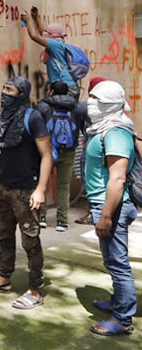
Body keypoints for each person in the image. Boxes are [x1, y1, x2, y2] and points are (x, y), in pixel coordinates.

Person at [0, 77, 53, 310]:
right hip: (5, 187)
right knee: (4, 235)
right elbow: (1, 145)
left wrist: (40, 190)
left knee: (30, 241)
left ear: (22, 94)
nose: (4, 93)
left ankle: (35, 290)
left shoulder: (34, 118)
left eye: (10, 89)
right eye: (4, 87)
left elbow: (47, 155)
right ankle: (4, 279)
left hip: (26, 190)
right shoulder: (2, 116)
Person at [83, 80, 138, 336]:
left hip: (112, 208)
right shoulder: (102, 127)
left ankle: (122, 319)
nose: (90, 102)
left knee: (117, 263)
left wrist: (106, 216)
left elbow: (117, 178)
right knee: (112, 260)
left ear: (109, 104)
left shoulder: (115, 131)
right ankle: (119, 303)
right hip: (104, 206)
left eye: (95, 98)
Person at [35, 80, 84, 231]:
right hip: (69, 151)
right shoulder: (76, 107)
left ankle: (41, 217)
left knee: (44, 181)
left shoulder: (42, 106)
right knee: (64, 185)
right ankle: (62, 220)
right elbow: (79, 128)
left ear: (50, 91)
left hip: (47, 151)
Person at [21, 8, 79, 98]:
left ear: (54, 34)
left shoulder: (55, 44)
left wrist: (28, 20)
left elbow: (34, 36)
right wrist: (36, 19)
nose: (45, 33)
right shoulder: (57, 42)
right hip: (66, 86)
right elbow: (43, 33)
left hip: (66, 88)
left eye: (48, 31)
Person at [74, 77, 108, 226]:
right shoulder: (112, 104)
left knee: (89, 181)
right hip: (109, 148)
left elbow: (78, 125)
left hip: (90, 148)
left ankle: (92, 213)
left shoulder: (84, 106)